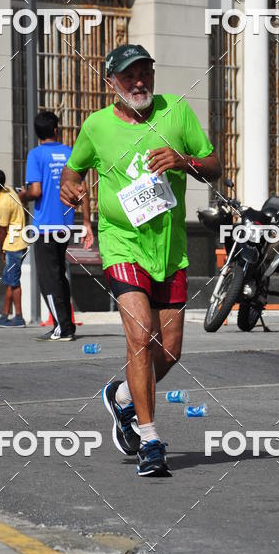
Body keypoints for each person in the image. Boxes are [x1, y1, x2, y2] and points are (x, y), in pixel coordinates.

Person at [60, 44, 221, 477]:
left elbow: (214, 166)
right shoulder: (96, 127)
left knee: (169, 351)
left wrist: (183, 161)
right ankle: (150, 441)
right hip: (122, 244)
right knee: (141, 334)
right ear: (111, 82)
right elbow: (73, 173)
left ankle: (123, 398)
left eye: (144, 73)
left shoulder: (177, 112)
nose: (139, 82)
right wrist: (69, 191)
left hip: (170, 248)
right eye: (129, 76)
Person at [24, 111, 94, 342]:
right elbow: (81, 190)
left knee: (48, 278)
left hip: (44, 226)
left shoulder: (35, 155)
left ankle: (62, 328)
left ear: (37, 133)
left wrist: (21, 195)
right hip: (65, 224)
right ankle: (66, 325)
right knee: (59, 275)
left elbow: (36, 191)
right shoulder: (69, 153)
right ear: (56, 130)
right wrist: (85, 222)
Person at [0, 168, 28, 327]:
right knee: (8, 279)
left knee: (14, 282)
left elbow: (3, 230)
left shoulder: (2, 202)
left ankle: (19, 317)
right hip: (19, 242)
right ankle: (5, 315)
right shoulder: (10, 191)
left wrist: (1, 250)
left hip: (13, 245)